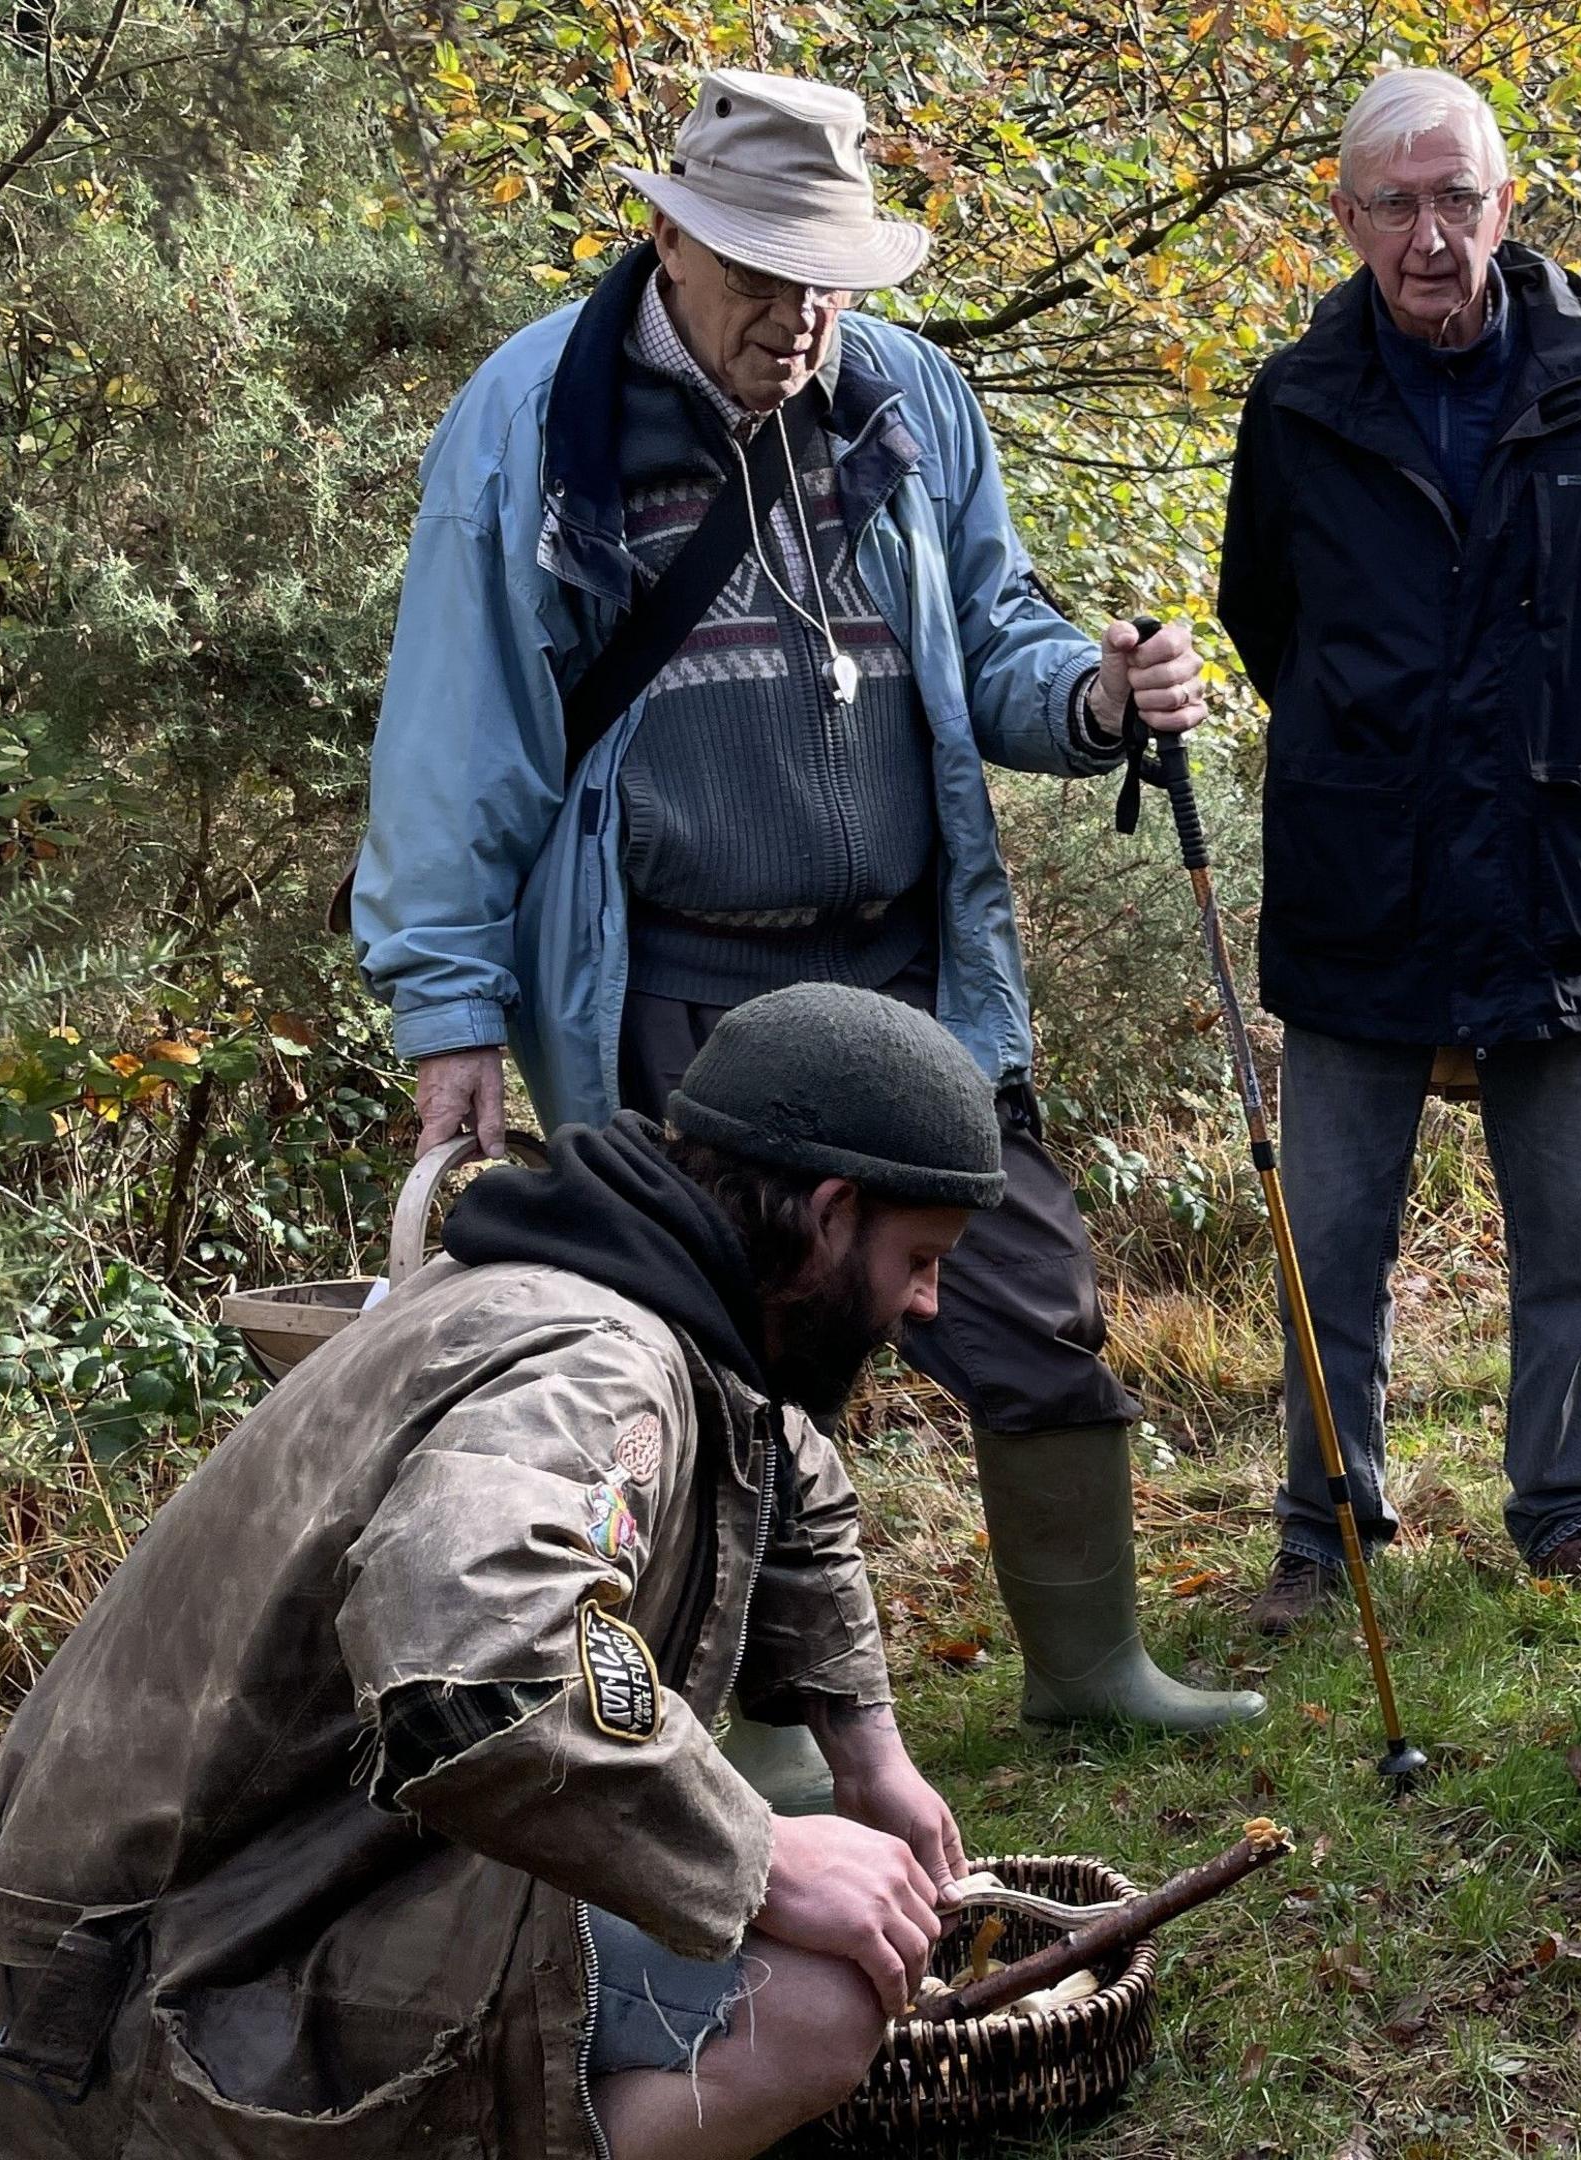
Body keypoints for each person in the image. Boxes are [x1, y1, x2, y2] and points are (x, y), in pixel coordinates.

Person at [348, 71, 1258, 1743]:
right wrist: (447, 1006)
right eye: (763, 274)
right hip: (685, 992)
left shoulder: (907, 397)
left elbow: (996, 642)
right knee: (706, 1354)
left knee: (1028, 1291)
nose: (799, 315)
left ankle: (1093, 1672)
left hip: (912, 980)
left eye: (825, 274)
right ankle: (753, 1731)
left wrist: (1104, 701)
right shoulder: (540, 422)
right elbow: (456, 738)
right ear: (668, 237)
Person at [0, 985, 1010, 2160]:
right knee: (817, 2004)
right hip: (152, 2003)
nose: (923, 1304)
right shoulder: (596, 1368)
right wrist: (763, 1857)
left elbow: (780, 1455)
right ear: (829, 1215)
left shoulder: (610, 1286)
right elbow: (478, 1671)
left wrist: (868, 1755)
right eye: (919, 1259)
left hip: (223, 1917)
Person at [1214, 67, 1581, 1628]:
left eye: (1454, 197)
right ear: (1345, 219)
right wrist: (1377, 753)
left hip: (1549, 865)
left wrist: (1532, 756)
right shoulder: (1296, 399)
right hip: (1359, 876)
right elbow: (1262, 620)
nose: (1428, 234)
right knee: (1331, 1241)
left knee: (1573, 1242)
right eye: (1395, 204)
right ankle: (1323, 1529)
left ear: (1503, 204)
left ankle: (1565, 1507)